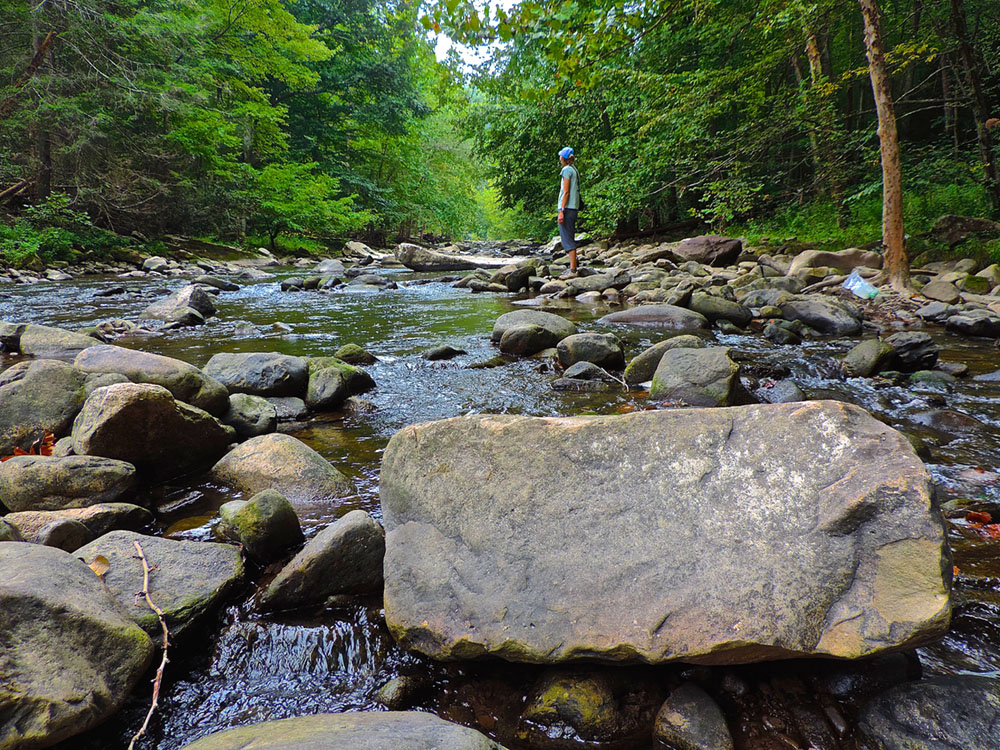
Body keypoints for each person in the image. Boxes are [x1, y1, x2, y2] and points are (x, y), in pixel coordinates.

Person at [557, 146, 580, 273]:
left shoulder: (566, 170)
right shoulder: (574, 170)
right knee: (570, 235)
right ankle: (573, 266)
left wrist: (561, 210)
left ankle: (573, 269)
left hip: (567, 208)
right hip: (574, 208)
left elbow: (566, 192)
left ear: (564, 158)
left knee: (567, 238)